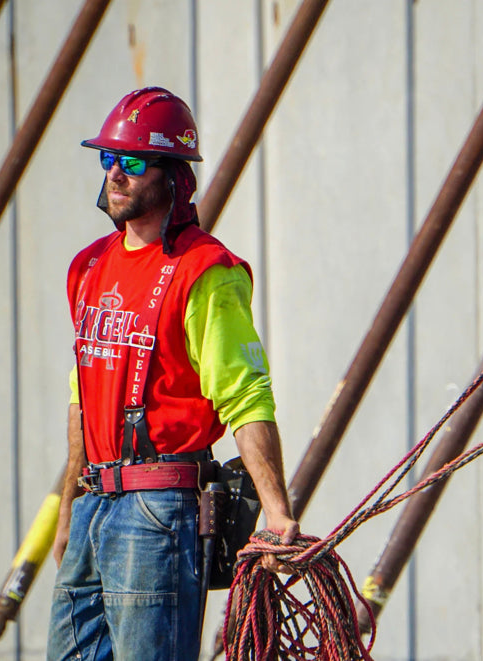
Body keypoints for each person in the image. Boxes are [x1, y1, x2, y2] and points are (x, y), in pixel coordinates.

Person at [47, 87, 299, 661]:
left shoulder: (206, 272)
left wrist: (276, 511)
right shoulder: (88, 267)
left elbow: (245, 393)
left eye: (133, 162)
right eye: (108, 159)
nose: (116, 174)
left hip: (157, 516)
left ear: (174, 177)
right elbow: (81, 397)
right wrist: (68, 509)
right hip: (94, 502)